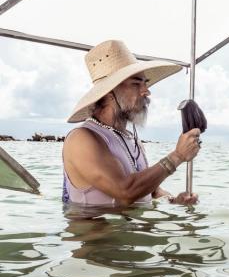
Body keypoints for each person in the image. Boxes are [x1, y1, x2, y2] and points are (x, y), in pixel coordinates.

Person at [62, 40, 201, 207]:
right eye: (136, 84)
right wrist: (177, 156)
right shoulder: (81, 139)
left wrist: (173, 201)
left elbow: (152, 192)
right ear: (109, 93)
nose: (146, 91)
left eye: (145, 83)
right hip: (97, 225)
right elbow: (124, 191)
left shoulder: (131, 139)